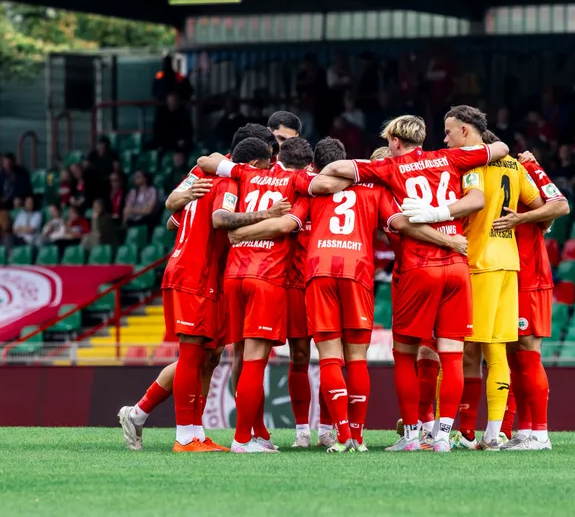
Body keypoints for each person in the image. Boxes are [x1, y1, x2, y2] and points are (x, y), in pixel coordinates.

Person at [226, 138, 468, 452]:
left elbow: (286, 223)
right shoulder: (374, 188)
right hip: (358, 273)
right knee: (356, 360)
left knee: (328, 358)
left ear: (317, 165)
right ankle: (358, 437)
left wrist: (239, 234)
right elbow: (401, 224)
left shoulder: (312, 190)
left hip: (318, 272)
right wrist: (447, 239)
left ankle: (339, 436)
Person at [319, 114, 509, 452]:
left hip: (418, 268)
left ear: (394, 141)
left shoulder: (388, 168)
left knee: (405, 354)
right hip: (457, 266)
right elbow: (501, 148)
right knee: (452, 355)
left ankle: (410, 436)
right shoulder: (448, 157)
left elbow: (336, 169)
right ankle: (442, 436)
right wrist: (443, 216)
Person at [116, 123, 276, 451]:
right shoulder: (228, 180)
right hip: (194, 274)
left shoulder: (203, 173)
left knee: (209, 356)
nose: (270, 168)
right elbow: (206, 216)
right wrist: (266, 215)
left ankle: (190, 430)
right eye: (268, 161)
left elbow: (173, 218)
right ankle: (183, 434)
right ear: (253, 159)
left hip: (210, 277)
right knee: (192, 355)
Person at [410, 107, 557, 451]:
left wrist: (433, 214)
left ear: (465, 130)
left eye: (448, 132)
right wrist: (519, 219)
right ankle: (492, 435)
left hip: (478, 262)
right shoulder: (514, 165)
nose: (445, 139)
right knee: (497, 350)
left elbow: (473, 203)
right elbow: (541, 208)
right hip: (509, 264)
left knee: (456, 349)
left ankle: (442, 432)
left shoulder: (471, 165)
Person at [194, 137, 304, 453]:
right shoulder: (297, 182)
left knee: (241, 359)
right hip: (266, 277)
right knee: (255, 361)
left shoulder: (245, 174)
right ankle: (242, 439)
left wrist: (239, 234)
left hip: (234, 275)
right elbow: (286, 224)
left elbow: (206, 160)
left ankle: (258, 434)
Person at [489, 150, 569, 452]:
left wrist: (521, 218)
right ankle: (524, 431)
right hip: (506, 273)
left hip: (530, 276)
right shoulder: (484, 175)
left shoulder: (526, 168)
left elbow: (561, 205)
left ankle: (541, 434)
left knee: (528, 353)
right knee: (514, 357)